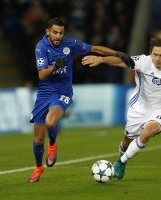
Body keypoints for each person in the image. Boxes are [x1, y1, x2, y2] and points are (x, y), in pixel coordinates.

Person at [82, 37, 161, 180]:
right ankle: (123, 158)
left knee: (146, 133)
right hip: (138, 110)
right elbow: (121, 61)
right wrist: (101, 60)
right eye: (155, 54)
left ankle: (120, 162)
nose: (157, 58)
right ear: (151, 53)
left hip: (160, 111)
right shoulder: (143, 61)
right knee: (127, 141)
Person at [28, 17, 118, 183]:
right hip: (44, 94)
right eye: (55, 32)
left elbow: (95, 48)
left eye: (61, 33)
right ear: (47, 32)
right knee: (38, 139)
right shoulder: (40, 47)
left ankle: (53, 145)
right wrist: (55, 66)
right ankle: (38, 167)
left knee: (50, 122)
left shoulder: (70, 44)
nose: (58, 36)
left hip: (63, 92)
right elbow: (41, 75)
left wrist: (118, 54)